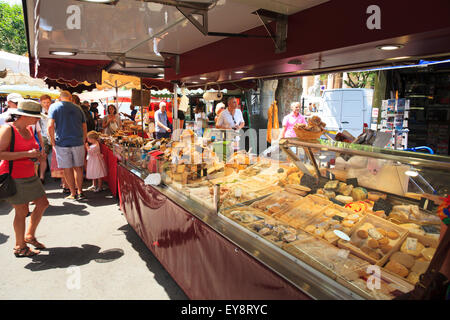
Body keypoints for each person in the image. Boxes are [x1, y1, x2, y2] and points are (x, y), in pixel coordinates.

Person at [0, 99, 49, 257]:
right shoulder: (8, 129)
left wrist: (37, 156)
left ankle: (29, 236)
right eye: (36, 117)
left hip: (29, 174)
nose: (38, 120)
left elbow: (30, 150)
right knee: (21, 211)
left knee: (42, 204)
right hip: (14, 176)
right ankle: (20, 247)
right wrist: (26, 155)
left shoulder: (28, 128)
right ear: (25, 116)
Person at [47, 90, 87, 200]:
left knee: (67, 169)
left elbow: (50, 126)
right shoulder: (78, 108)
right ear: (70, 98)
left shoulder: (54, 107)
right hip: (78, 142)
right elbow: (84, 126)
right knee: (78, 168)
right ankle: (80, 191)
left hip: (62, 143)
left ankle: (73, 193)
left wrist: (52, 140)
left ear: (60, 97)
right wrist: (83, 139)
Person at [38, 95, 52, 183]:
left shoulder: (54, 110)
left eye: (48, 102)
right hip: (43, 136)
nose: (46, 104)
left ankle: (58, 176)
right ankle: (42, 177)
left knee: (56, 157)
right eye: (44, 102)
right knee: (43, 156)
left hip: (54, 135)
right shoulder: (39, 112)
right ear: (41, 103)